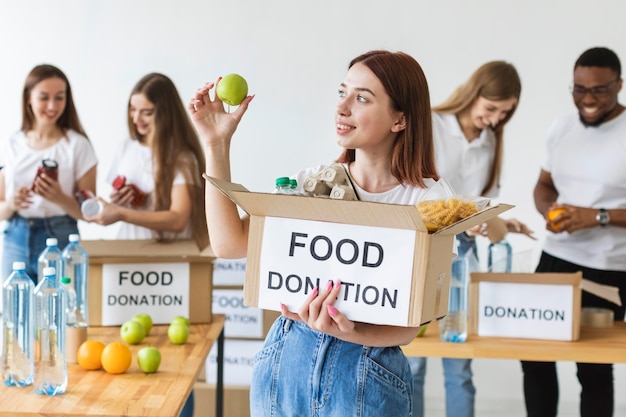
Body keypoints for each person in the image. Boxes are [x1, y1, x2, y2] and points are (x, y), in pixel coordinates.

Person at [189, 50, 439, 416]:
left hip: (366, 376)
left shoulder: (428, 203)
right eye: (343, 93)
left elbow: (407, 327)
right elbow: (228, 244)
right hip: (287, 363)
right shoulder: (314, 185)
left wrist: (349, 331)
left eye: (362, 98)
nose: (343, 108)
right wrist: (216, 144)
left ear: (400, 119)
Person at [408, 61, 534, 417]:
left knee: (459, 362)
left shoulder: (491, 141)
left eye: (504, 113)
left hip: (461, 253)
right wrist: (462, 217)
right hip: (424, 246)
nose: (495, 120)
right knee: (414, 361)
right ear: (473, 93)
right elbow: (412, 189)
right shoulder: (429, 124)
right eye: (491, 109)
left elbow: (484, 201)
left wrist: (498, 223)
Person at [85, 72, 208, 417]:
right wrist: (122, 202)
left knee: (172, 358)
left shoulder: (181, 157)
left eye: (147, 112)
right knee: (124, 354)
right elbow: (117, 199)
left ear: (164, 113)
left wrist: (122, 212)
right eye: (132, 109)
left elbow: (177, 218)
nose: (136, 119)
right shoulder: (126, 148)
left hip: (167, 269)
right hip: (128, 261)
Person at [523, 46, 626, 417]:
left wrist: (597, 217)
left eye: (599, 90)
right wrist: (548, 209)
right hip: (555, 257)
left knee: (594, 365)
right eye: (579, 89)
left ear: (619, 84)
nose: (588, 99)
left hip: (610, 267)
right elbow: (543, 185)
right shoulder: (562, 128)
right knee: (534, 354)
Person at [0, 64, 97, 282]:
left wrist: (59, 198)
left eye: (59, 97)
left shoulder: (77, 146)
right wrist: (12, 204)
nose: (52, 105)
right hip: (15, 236)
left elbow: (91, 213)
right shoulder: (11, 144)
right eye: (44, 97)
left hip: (61, 235)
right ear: (29, 98)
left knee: (60, 310)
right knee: (15, 312)